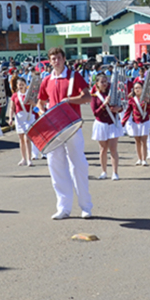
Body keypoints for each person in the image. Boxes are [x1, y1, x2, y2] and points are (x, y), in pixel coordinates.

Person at [38, 47, 93, 220]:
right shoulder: (46, 80)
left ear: (64, 59)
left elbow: (87, 97)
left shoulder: (74, 76)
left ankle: (86, 207)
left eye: (59, 58)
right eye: (53, 58)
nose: (56, 61)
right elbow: (40, 102)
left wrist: (69, 100)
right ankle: (63, 207)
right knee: (56, 167)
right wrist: (42, 114)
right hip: (54, 129)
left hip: (72, 127)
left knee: (78, 166)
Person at [90, 73, 123, 181]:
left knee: (113, 149)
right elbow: (95, 113)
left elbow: (122, 105)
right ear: (97, 84)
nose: (105, 83)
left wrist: (119, 108)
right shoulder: (94, 96)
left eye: (106, 81)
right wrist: (104, 104)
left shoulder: (113, 93)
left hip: (112, 123)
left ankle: (115, 172)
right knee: (103, 149)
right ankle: (104, 171)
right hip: (101, 124)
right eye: (102, 82)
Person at [123, 79, 150, 166]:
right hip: (135, 122)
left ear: (143, 88)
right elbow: (128, 112)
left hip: (144, 121)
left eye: (139, 87)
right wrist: (122, 123)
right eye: (135, 88)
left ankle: (144, 159)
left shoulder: (146, 99)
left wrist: (148, 103)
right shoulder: (132, 100)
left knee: (144, 141)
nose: (137, 89)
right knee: (137, 141)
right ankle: (139, 158)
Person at [10, 78, 37, 166]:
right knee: (21, 139)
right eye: (19, 85)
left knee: (27, 138)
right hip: (19, 118)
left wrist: (32, 103)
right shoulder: (14, 95)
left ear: (26, 85)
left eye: (22, 84)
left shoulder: (30, 95)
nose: (21, 86)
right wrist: (11, 118)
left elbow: (36, 105)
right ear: (17, 86)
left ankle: (29, 159)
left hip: (29, 117)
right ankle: (23, 158)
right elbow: (12, 108)